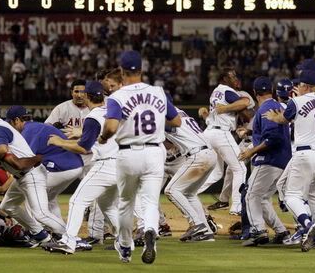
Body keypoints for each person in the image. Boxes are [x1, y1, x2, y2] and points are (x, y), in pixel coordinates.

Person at [99, 50, 181, 264]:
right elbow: (177, 121)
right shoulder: (158, 92)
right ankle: (151, 230)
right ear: (142, 70)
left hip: (128, 152)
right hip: (154, 151)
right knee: (151, 202)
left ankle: (125, 247)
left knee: (126, 202)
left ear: (122, 72)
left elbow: (111, 126)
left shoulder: (118, 96)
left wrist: (103, 137)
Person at [264, 70, 315, 252]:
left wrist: (275, 118)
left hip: (305, 154)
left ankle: (307, 223)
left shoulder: (296, 101)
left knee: (291, 195)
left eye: (299, 85)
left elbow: (284, 118)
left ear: (305, 86)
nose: (297, 88)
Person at [43, 81, 119, 254]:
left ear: (86, 97)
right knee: (108, 206)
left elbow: (84, 147)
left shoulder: (93, 117)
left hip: (105, 163)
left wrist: (60, 142)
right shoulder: (113, 113)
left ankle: (68, 242)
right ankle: (124, 241)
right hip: (122, 164)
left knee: (77, 201)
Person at [0, 101, 59, 242]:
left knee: (41, 213)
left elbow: (1, 150)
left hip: (31, 173)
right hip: (22, 176)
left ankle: (70, 237)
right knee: (8, 206)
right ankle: (40, 234)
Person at [238, 77, 291, 247]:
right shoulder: (275, 106)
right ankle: (281, 231)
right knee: (262, 198)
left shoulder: (266, 108)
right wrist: (249, 132)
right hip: (282, 160)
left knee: (251, 194)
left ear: (255, 93)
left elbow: (272, 138)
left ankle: (258, 231)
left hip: (270, 160)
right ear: (272, 90)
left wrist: (250, 151)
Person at [8, 105, 83, 222]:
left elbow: (25, 162)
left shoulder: (28, 131)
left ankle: (37, 232)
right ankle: (60, 232)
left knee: (32, 191)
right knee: (49, 198)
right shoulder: (35, 127)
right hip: (73, 165)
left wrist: (6, 183)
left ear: (17, 120)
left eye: (10, 123)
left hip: (64, 167)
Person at [163, 104, 217, 242]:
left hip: (198, 155)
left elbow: (164, 128)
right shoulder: (181, 114)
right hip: (209, 154)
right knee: (189, 194)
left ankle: (197, 225)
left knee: (171, 190)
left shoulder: (168, 119)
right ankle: (206, 231)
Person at [201, 68, 250, 215]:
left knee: (216, 173)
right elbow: (245, 106)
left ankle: (190, 192)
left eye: (235, 75)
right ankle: (236, 206)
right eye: (231, 76)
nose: (235, 78)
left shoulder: (216, 91)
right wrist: (240, 108)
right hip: (221, 133)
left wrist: (231, 108)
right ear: (224, 79)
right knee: (240, 168)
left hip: (209, 132)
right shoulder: (227, 91)